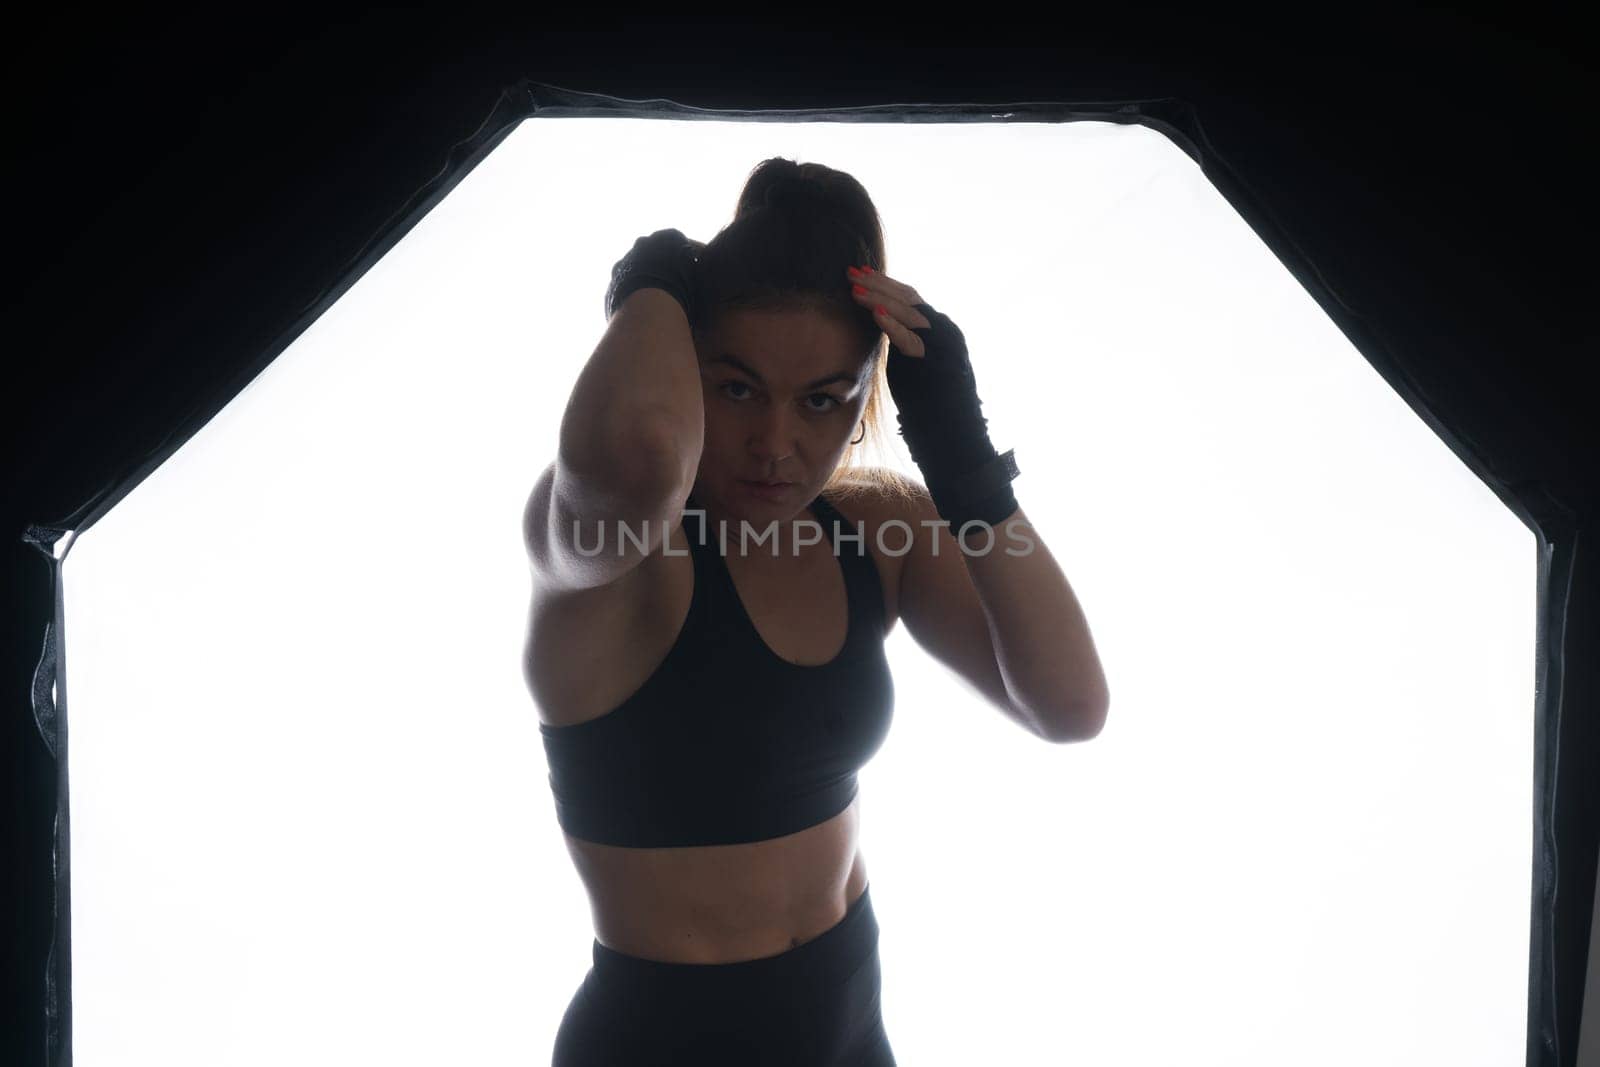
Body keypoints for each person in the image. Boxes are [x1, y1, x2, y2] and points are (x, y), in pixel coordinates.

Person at [523, 157, 1110, 1066]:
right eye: (738, 387)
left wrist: (961, 455)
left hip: (851, 1023)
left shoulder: (878, 528)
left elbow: (1071, 705)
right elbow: (639, 452)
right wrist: (649, 288)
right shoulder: (614, 547)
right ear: (686, 366)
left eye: (823, 400)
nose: (776, 446)